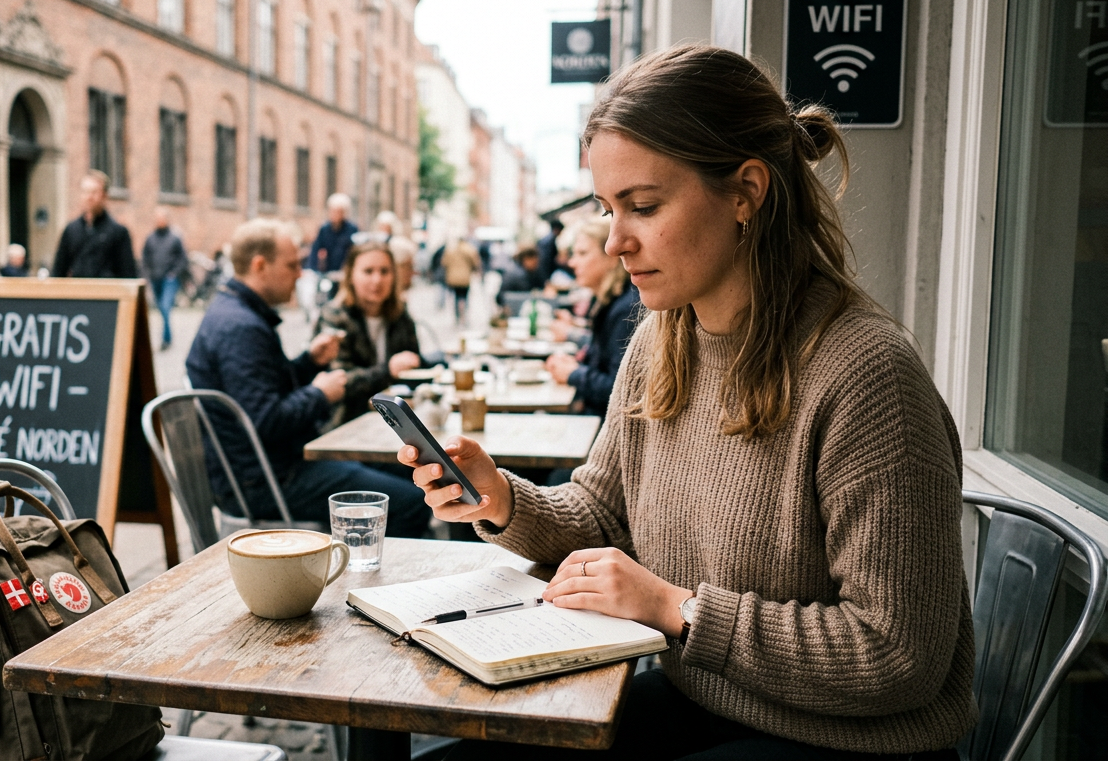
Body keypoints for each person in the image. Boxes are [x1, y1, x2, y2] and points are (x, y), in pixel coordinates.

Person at [401, 46, 974, 761]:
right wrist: (502, 500)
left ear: (746, 193)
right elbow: (604, 515)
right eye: (608, 209)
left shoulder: (866, 372)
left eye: (643, 206)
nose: (616, 241)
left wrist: (675, 608)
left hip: (853, 745)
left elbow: (898, 656)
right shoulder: (662, 340)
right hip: (703, 703)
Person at [186, 219, 429, 536]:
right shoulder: (240, 328)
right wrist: (320, 394)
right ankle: (368, 566)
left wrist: (308, 362)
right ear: (260, 266)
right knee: (413, 503)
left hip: (272, 467)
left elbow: (265, 390)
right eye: (292, 265)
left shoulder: (237, 313)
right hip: (265, 482)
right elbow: (267, 421)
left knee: (413, 470)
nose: (300, 273)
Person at [313, 240, 423, 424]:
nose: (377, 280)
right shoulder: (335, 316)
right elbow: (340, 381)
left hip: (397, 420)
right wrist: (388, 370)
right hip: (347, 420)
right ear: (351, 276)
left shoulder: (400, 315)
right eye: (368, 271)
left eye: (384, 271)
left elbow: (414, 365)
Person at [543, 216, 640, 419]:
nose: (572, 262)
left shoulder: (625, 309)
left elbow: (621, 390)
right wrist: (574, 366)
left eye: (582, 253)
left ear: (612, 257)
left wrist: (573, 374)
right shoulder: (610, 301)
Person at [52, 171, 137, 279]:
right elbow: (58, 271)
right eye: (85, 192)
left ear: (105, 195)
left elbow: (128, 274)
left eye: (94, 192)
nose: (89, 197)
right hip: (79, 288)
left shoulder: (118, 232)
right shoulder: (71, 230)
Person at [142, 206, 188, 350]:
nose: (159, 220)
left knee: (165, 306)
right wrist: (146, 274)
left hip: (169, 279)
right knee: (161, 308)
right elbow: (145, 258)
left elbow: (182, 258)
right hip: (155, 278)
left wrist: (174, 273)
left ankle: (166, 340)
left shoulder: (174, 238)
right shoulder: (150, 238)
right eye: (157, 218)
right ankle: (166, 336)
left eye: (162, 218)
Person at [308, 193, 358, 274]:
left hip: (345, 271)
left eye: (339, 212)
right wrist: (313, 269)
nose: (335, 214)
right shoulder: (324, 229)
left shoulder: (352, 229)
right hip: (328, 270)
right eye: (333, 211)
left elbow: (355, 252)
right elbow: (315, 249)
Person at [374, 211, 418, 295]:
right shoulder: (376, 242)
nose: (384, 229)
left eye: (387, 226)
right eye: (382, 226)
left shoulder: (401, 243)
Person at [496, 245, 546, 313]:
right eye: (535, 262)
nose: (536, 265)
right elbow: (527, 295)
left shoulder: (530, 273)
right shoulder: (517, 275)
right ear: (526, 259)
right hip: (515, 311)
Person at [441, 237, 481, 322]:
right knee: (464, 297)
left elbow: (444, 263)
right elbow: (476, 262)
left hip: (453, 278)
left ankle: (457, 316)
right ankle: (464, 315)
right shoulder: (469, 250)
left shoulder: (451, 250)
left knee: (456, 297)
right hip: (465, 278)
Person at [536, 218, 564, 282]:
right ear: (557, 229)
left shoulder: (547, 239)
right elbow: (546, 260)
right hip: (545, 272)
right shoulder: (549, 241)